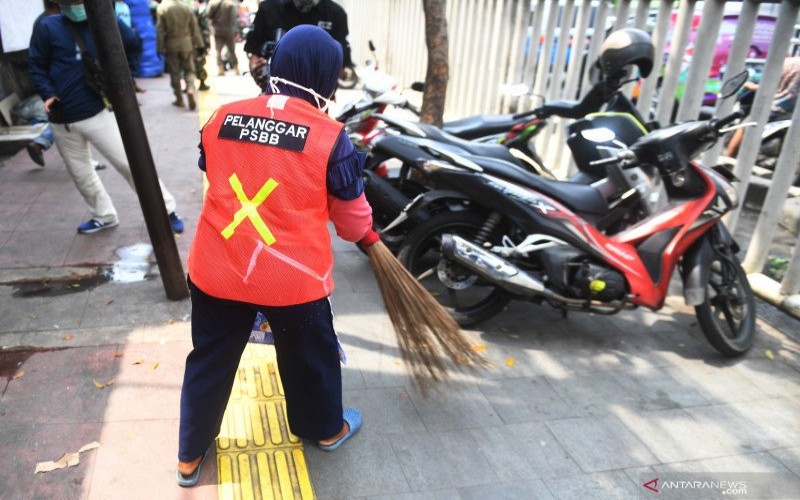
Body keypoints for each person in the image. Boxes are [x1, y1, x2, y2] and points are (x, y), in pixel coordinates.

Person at [176, 25, 376, 487]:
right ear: (327, 76)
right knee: (310, 356)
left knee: (210, 357)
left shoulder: (221, 116)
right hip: (292, 278)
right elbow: (351, 224)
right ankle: (326, 430)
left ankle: (189, 455)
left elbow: (211, 166)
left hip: (217, 267)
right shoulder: (330, 137)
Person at [28, 0, 184, 234]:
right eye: (71, 2)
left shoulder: (104, 22)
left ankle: (167, 210)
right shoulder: (48, 27)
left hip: (96, 113)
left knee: (131, 164)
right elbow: (36, 64)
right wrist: (47, 92)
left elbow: (133, 44)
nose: (76, 5)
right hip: (61, 121)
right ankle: (103, 215)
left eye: (81, 1)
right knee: (81, 174)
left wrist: (126, 75)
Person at [244, 0, 352, 90]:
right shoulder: (268, 9)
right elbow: (254, 52)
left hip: (315, 97)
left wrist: (325, 82)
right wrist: (258, 71)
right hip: (274, 91)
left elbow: (342, 64)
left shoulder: (336, 14)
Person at [725, 57, 800, 157]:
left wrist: (750, 86)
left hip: (774, 107)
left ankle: (728, 156)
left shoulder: (786, 62)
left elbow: (767, 83)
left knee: (744, 127)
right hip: (793, 113)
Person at [156, 0, 204, 109]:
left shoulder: (162, 8)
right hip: (186, 43)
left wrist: (159, 48)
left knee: (175, 72)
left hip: (171, 44)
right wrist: (200, 44)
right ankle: (191, 88)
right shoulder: (186, 7)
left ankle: (179, 98)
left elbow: (160, 31)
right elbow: (195, 28)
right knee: (189, 70)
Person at [206, 0, 240, 76]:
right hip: (229, 31)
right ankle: (236, 68)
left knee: (218, 51)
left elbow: (208, 15)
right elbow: (235, 18)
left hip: (217, 31)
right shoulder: (230, 4)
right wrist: (236, 31)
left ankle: (220, 69)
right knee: (232, 51)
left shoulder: (213, 3)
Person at [192, 0, 212, 91]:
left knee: (186, 65)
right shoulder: (200, 10)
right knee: (200, 63)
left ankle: (189, 85)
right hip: (198, 41)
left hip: (185, 41)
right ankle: (202, 83)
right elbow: (205, 29)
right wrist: (207, 43)